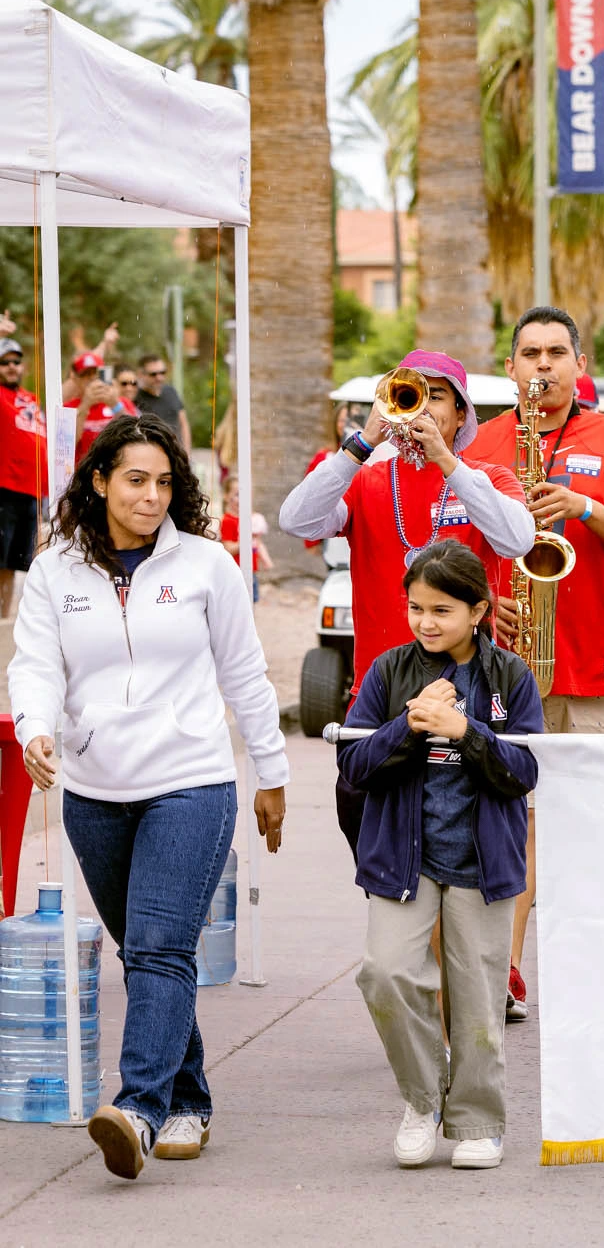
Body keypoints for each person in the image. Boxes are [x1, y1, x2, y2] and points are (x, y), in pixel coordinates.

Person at [8, 415, 287, 1180]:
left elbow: (245, 673)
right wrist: (37, 727)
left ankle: (135, 1110)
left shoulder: (206, 566)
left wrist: (272, 774)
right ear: (98, 481)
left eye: (165, 482)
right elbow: (34, 665)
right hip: (94, 792)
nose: (151, 495)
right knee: (144, 951)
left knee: (163, 945)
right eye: (135, 479)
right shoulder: (55, 569)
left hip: (190, 781)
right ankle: (189, 1101)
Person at [466, 306, 604, 1021]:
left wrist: (580, 507)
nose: (542, 366)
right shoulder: (482, 443)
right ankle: (506, 972)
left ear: (581, 364)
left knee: (597, 831)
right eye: (530, 354)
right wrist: (485, 598)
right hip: (508, 668)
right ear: (510, 367)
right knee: (515, 827)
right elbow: (457, 552)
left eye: (555, 353)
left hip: (598, 662)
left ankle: (597, 976)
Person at [277, 351, 535, 851]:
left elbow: (517, 539)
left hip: (471, 706)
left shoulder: (489, 479)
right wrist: (363, 441)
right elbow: (296, 520)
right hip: (379, 701)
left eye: (437, 396)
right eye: (410, 392)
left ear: (462, 414)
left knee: (463, 869)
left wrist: (446, 460)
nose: (422, 406)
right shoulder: (368, 479)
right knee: (382, 867)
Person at [339, 540, 540, 1172]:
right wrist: (410, 725)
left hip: (483, 864)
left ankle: (479, 1121)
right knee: (385, 971)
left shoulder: (511, 676)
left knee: (479, 994)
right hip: (404, 862)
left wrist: (466, 732)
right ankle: (422, 1100)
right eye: (416, 607)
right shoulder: (388, 671)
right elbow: (353, 764)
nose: (426, 622)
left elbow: (527, 770)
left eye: (443, 609)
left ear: (480, 610)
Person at [0, 336, 46, 619]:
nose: (12, 367)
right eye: (5, 362)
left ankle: (6, 620)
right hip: (5, 488)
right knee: (1, 562)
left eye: (16, 361)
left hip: (32, 491)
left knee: (20, 563)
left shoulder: (30, 398)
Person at [216, 468, 273, 598]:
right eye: (237, 495)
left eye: (244, 495)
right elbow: (229, 548)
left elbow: (258, 542)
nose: (241, 499)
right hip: (235, 573)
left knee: (251, 605)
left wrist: (266, 560)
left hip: (251, 572)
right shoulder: (228, 521)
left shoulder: (249, 519)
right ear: (226, 496)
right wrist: (246, 541)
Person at [132, 351, 191, 452]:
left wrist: (187, 452)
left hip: (176, 453)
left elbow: (184, 423)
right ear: (141, 375)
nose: (159, 377)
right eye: (153, 374)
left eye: (162, 372)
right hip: (152, 455)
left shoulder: (171, 391)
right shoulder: (135, 398)